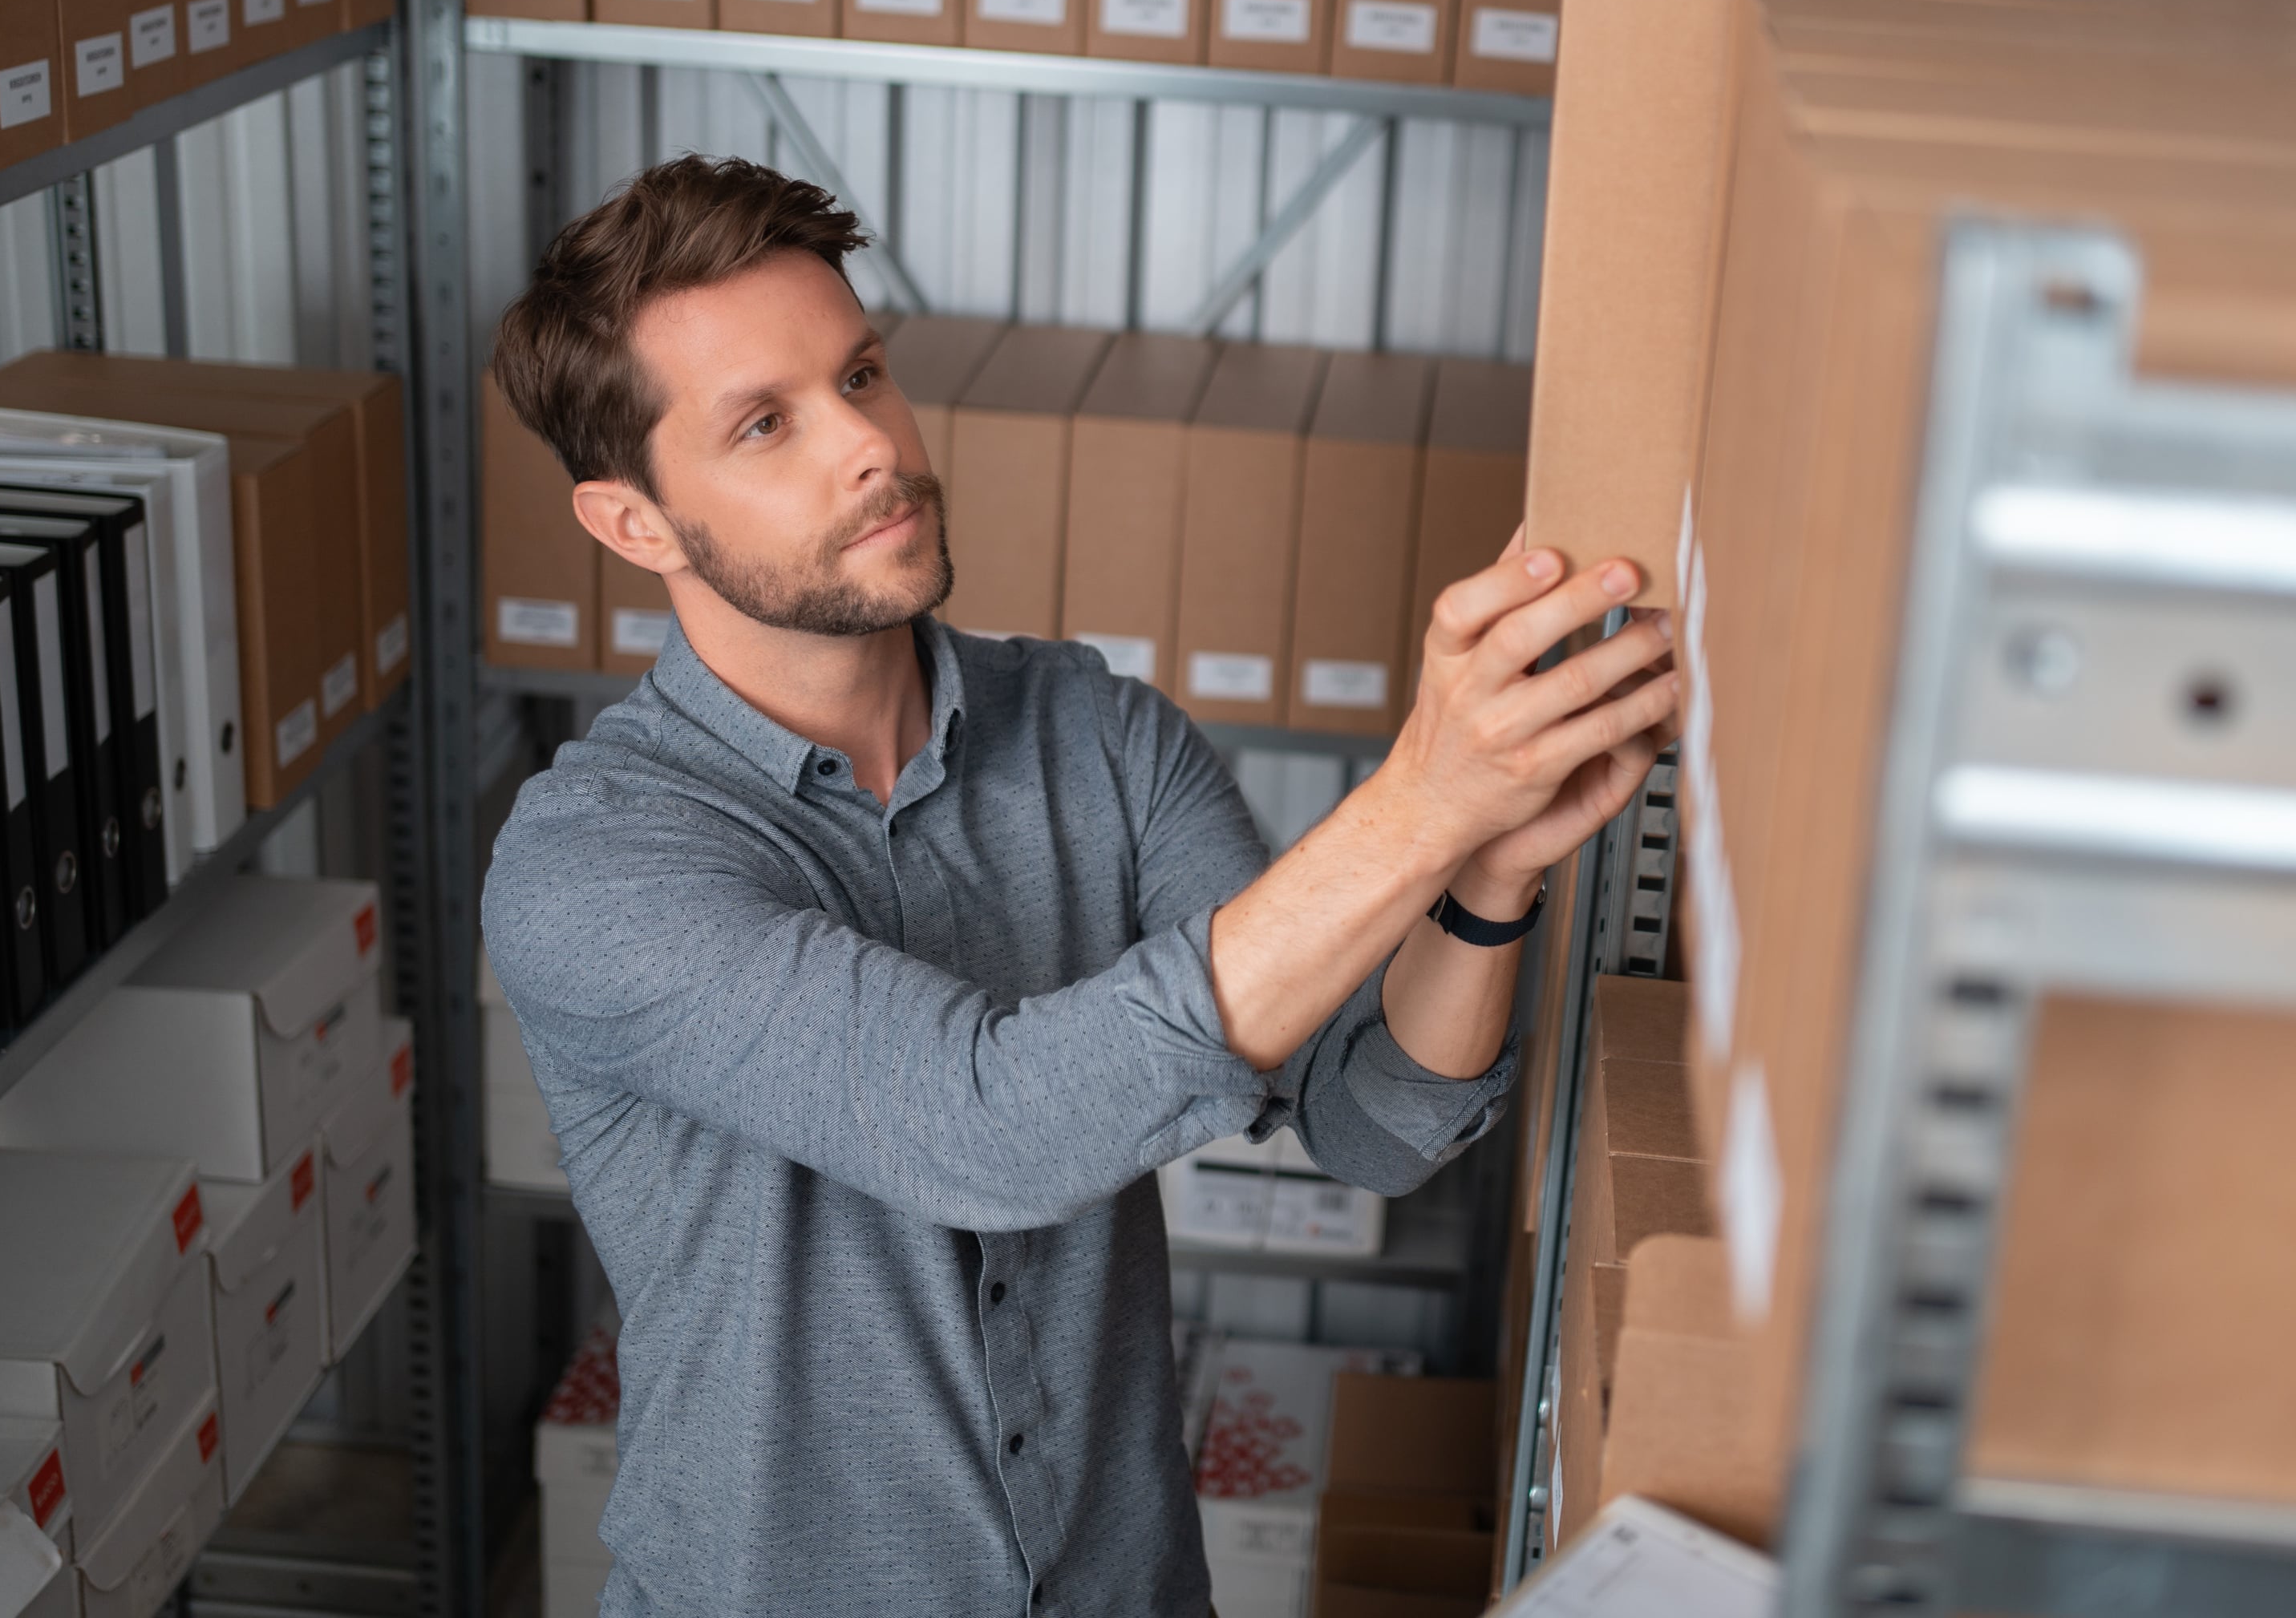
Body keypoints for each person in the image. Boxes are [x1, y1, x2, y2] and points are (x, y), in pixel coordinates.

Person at [484, 155, 1675, 1616]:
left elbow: (1372, 1121)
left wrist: (1481, 872)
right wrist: (1418, 804)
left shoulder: (1097, 741)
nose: (867, 446)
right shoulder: (594, 861)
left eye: (862, 375)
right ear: (635, 525)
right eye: (765, 425)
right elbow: (987, 1129)